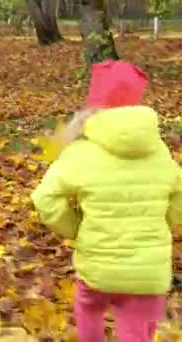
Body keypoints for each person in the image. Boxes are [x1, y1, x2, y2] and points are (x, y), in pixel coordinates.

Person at [31, 60, 182, 342]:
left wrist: (73, 228)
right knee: (137, 330)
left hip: (96, 265)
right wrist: (164, 222)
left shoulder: (79, 153)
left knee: (89, 308)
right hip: (147, 271)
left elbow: (45, 198)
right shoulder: (158, 151)